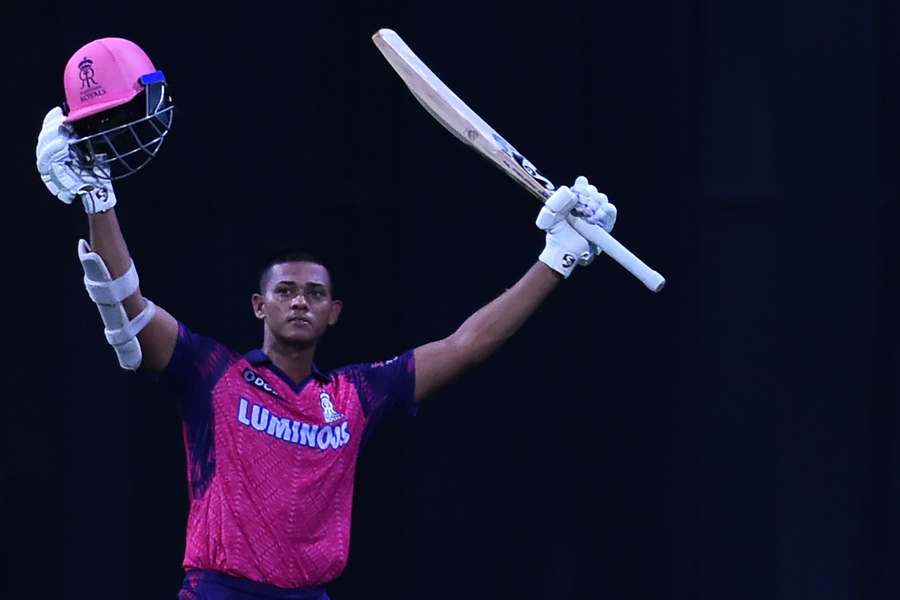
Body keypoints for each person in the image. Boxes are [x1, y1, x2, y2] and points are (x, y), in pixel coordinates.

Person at [36, 37, 618, 600]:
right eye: (284, 291)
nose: (299, 301)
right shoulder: (213, 375)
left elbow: (467, 345)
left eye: (314, 294)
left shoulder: (357, 396)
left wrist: (557, 259)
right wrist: (97, 199)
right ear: (259, 306)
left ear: (333, 312)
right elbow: (127, 305)